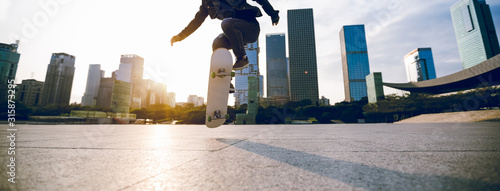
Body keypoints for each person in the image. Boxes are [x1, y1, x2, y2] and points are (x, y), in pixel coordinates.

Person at [171, 0, 280, 71]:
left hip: (251, 29)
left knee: (226, 23)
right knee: (217, 43)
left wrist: (273, 14)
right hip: (235, 34)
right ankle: (225, 78)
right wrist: (181, 36)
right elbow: (197, 21)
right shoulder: (206, 4)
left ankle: (242, 58)